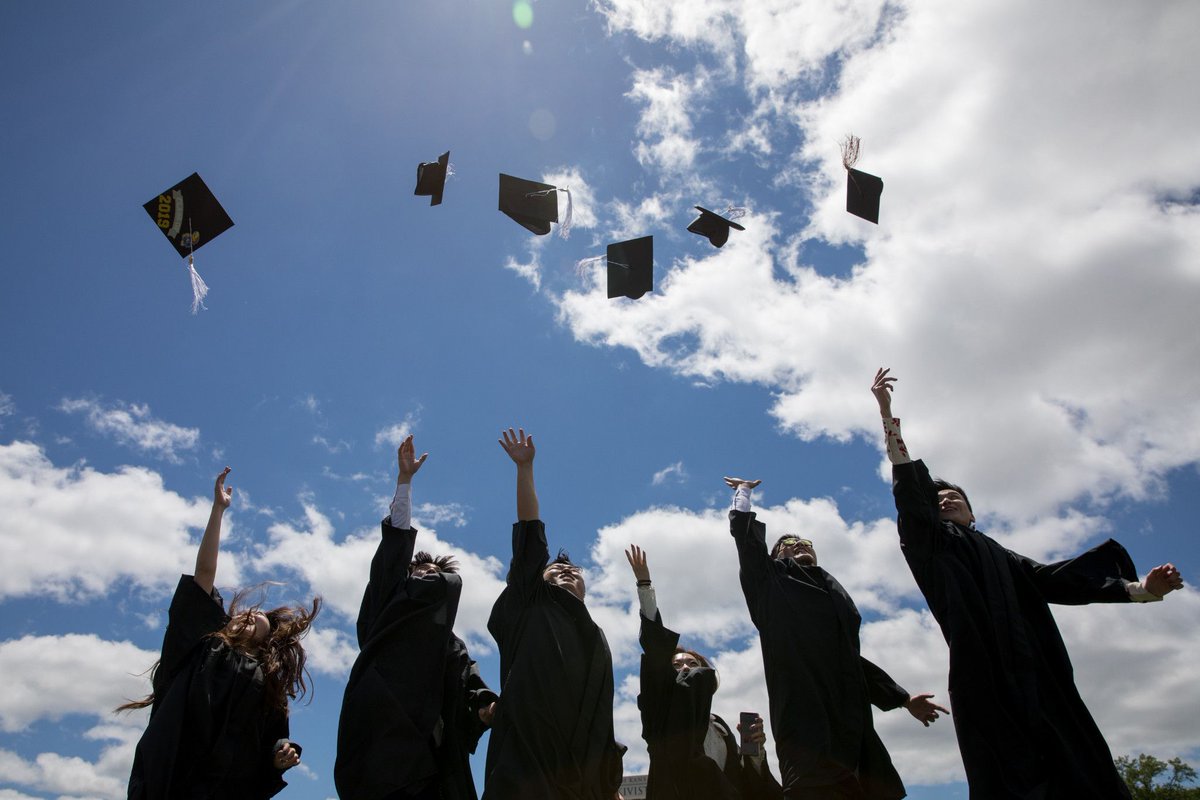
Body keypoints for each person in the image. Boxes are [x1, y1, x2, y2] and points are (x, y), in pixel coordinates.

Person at [870, 367, 1185, 799]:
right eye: (938, 499)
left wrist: (1141, 590)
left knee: (1079, 764)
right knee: (1006, 769)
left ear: (972, 513)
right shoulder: (928, 542)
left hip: (1041, 669)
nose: (946, 499)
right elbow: (908, 485)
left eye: (955, 497)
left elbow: (1057, 582)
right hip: (983, 671)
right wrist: (888, 415)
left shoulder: (1004, 556)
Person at [726, 476, 947, 800]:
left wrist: (902, 699)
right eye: (788, 543)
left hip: (852, 727)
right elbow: (747, 543)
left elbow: (851, 660)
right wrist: (742, 494)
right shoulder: (770, 584)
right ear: (774, 557)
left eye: (806, 542)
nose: (800, 544)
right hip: (805, 722)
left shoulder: (833, 593)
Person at [121, 467, 321, 800]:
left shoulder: (266, 683)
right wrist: (218, 511)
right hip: (169, 778)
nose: (247, 618)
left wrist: (281, 753)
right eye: (244, 615)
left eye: (256, 622)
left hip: (226, 786)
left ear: (263, 642)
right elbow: (204, 574)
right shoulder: (197, 647)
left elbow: (273, 738)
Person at [335, 435, 498, 800]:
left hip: (428, 758)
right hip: (379, 742)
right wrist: (404, 483)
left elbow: (468, 686)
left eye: (433, 575)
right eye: (418, 571)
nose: (426, 577)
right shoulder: (386, 612)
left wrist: (487, 707)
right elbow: (392, 555)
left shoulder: (450, 645)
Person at [482, 427, 626, 800]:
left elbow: (602, 714)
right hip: (524, 769)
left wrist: (610, 786)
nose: (566, 570)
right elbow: (529, 535)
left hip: (581, 780)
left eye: (574, 570)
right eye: (555, 569)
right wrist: (525, 469)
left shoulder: (596, 638)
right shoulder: (531, 603)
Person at [625, 544, 783, 800]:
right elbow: (656, 651)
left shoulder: (719, 726)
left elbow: (745, 780)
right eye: (677, 665)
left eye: (693, 664)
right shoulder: (659, 711)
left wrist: (755, 752)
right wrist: (644, 584)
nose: (686, 668)